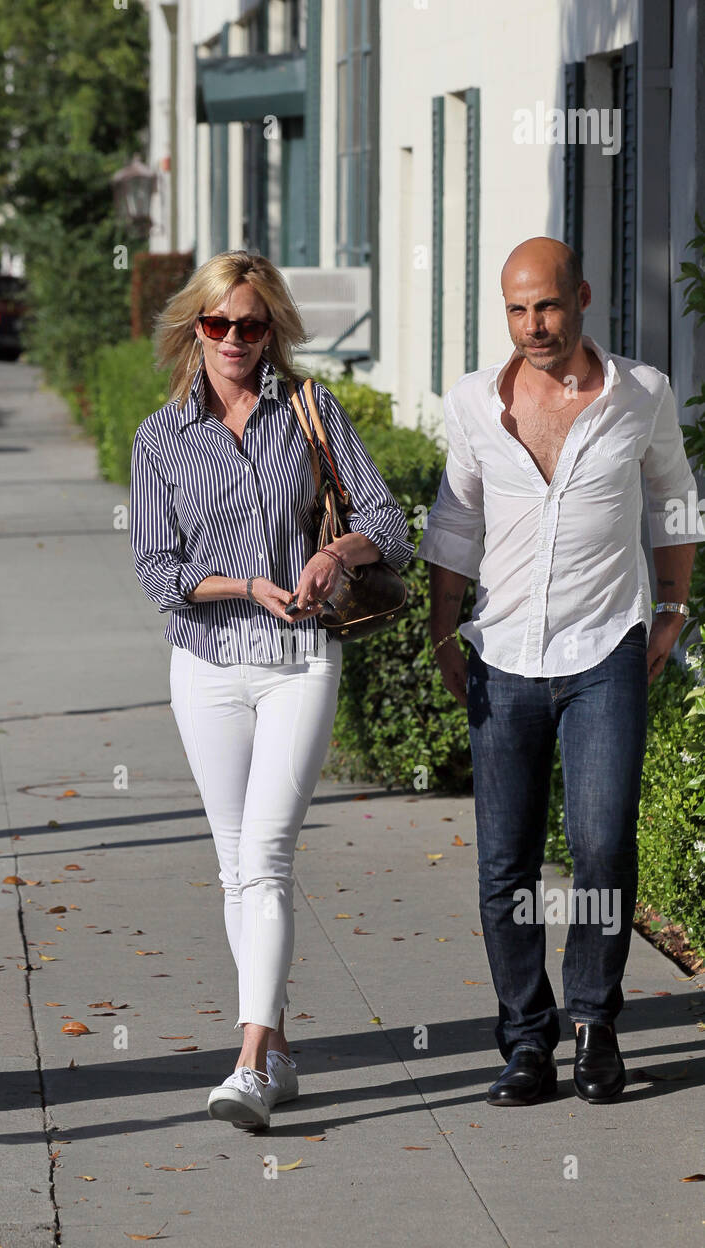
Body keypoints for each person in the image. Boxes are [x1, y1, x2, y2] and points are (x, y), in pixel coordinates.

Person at [130, 250, 413, 1129]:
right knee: (233, 868)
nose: (234, 341)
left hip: (299, 662)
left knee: (267, 860)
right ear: (194, 328)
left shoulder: (309, 408)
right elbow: (158, 571)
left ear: (272, 329)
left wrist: (333, 553)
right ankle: (280, 1049)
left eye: (252, 326)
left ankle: (248, 1064)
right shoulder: (159, 437)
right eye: (217, 324)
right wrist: (245, 584)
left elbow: (390, 524)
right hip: (207, 666)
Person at [419, 236, 701, 1105]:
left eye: (545, 305)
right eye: (515, 309)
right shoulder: (473, 403)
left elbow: (675, 500)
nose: (532, 325)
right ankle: (526, 1042)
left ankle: (596, 1026)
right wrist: (441, 632)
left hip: (604, 650)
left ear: (579, 296)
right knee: (504, 862)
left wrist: (674, 608)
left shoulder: (640, 393)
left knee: (603, 844)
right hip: (502, 655)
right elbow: (455, 521)